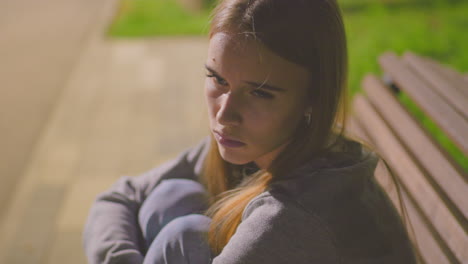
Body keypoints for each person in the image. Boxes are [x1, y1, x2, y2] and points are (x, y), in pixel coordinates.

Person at [83, 0, 419, 263]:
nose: (225, 115)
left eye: (260, 92)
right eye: (218, 79)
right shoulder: (267, 141)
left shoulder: (291, 220)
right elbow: (121, 196)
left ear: (313, 98)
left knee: (183, 236)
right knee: (172, 199)